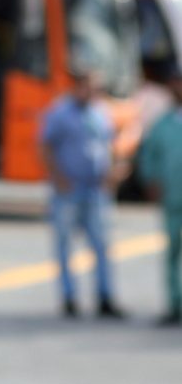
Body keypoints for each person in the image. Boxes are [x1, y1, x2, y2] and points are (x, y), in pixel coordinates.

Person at [39, 66, 123, 318]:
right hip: (69, 189)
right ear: (77, 86)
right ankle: (69, 298)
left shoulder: (100, 112)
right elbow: (45, 146)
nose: (93, 92)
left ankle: (105, 297)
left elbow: (109, 145)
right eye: (89, 86)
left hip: (96, 189)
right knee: (65, 245)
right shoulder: (60, 113)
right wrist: (58, 177)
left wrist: (113, 172)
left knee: (101, 245)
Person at [137, 71, 182, 323]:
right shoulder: (163, 124)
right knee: (173, 253)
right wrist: (151, 180)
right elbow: (148, 156)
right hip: (173, 198)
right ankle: (175, 304)